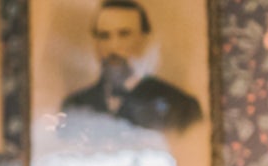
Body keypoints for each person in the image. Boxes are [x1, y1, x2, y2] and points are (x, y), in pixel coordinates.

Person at [60, 0, 203, 134]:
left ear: (144, 40)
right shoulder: (74, 106)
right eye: (104, 36)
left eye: (124, 34)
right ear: (95, 43)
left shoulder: (181, 107)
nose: (113, 47)